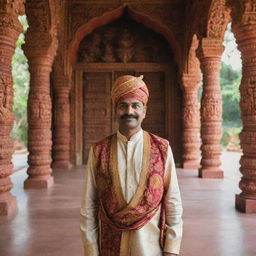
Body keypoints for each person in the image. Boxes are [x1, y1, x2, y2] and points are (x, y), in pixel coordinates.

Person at [80, 75, 183, 256]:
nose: (129, 111)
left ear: (144, 110)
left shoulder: (162, 148)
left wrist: (172, 248)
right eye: (123, 105)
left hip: (150, 248)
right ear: (115, 110)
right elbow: (89, 205)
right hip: (109, 246)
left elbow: (173, 201)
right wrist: (91, 250)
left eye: (136, 105)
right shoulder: (98, 151)